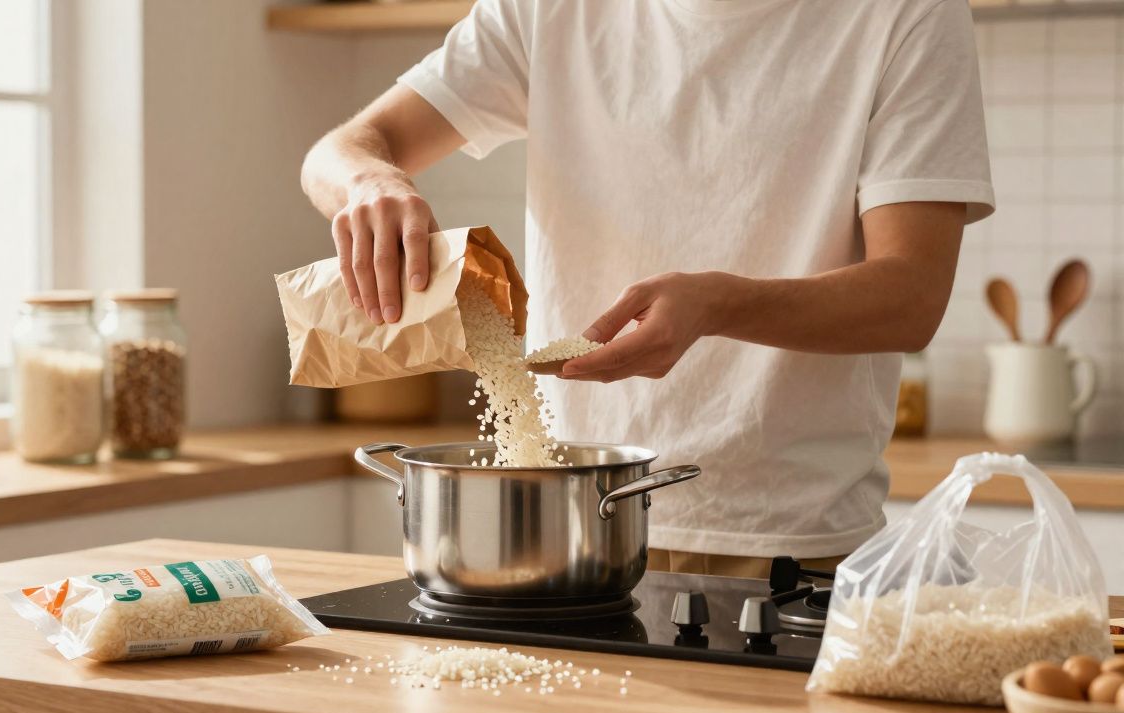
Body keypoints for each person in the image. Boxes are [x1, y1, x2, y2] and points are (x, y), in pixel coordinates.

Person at [300, 0, 994, 578]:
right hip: (567, 529)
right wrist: (370, 181)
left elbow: (912, 295)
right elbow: (345, 148)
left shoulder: (907, 12)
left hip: (789, 543)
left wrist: (720, 305)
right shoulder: (547, 9)